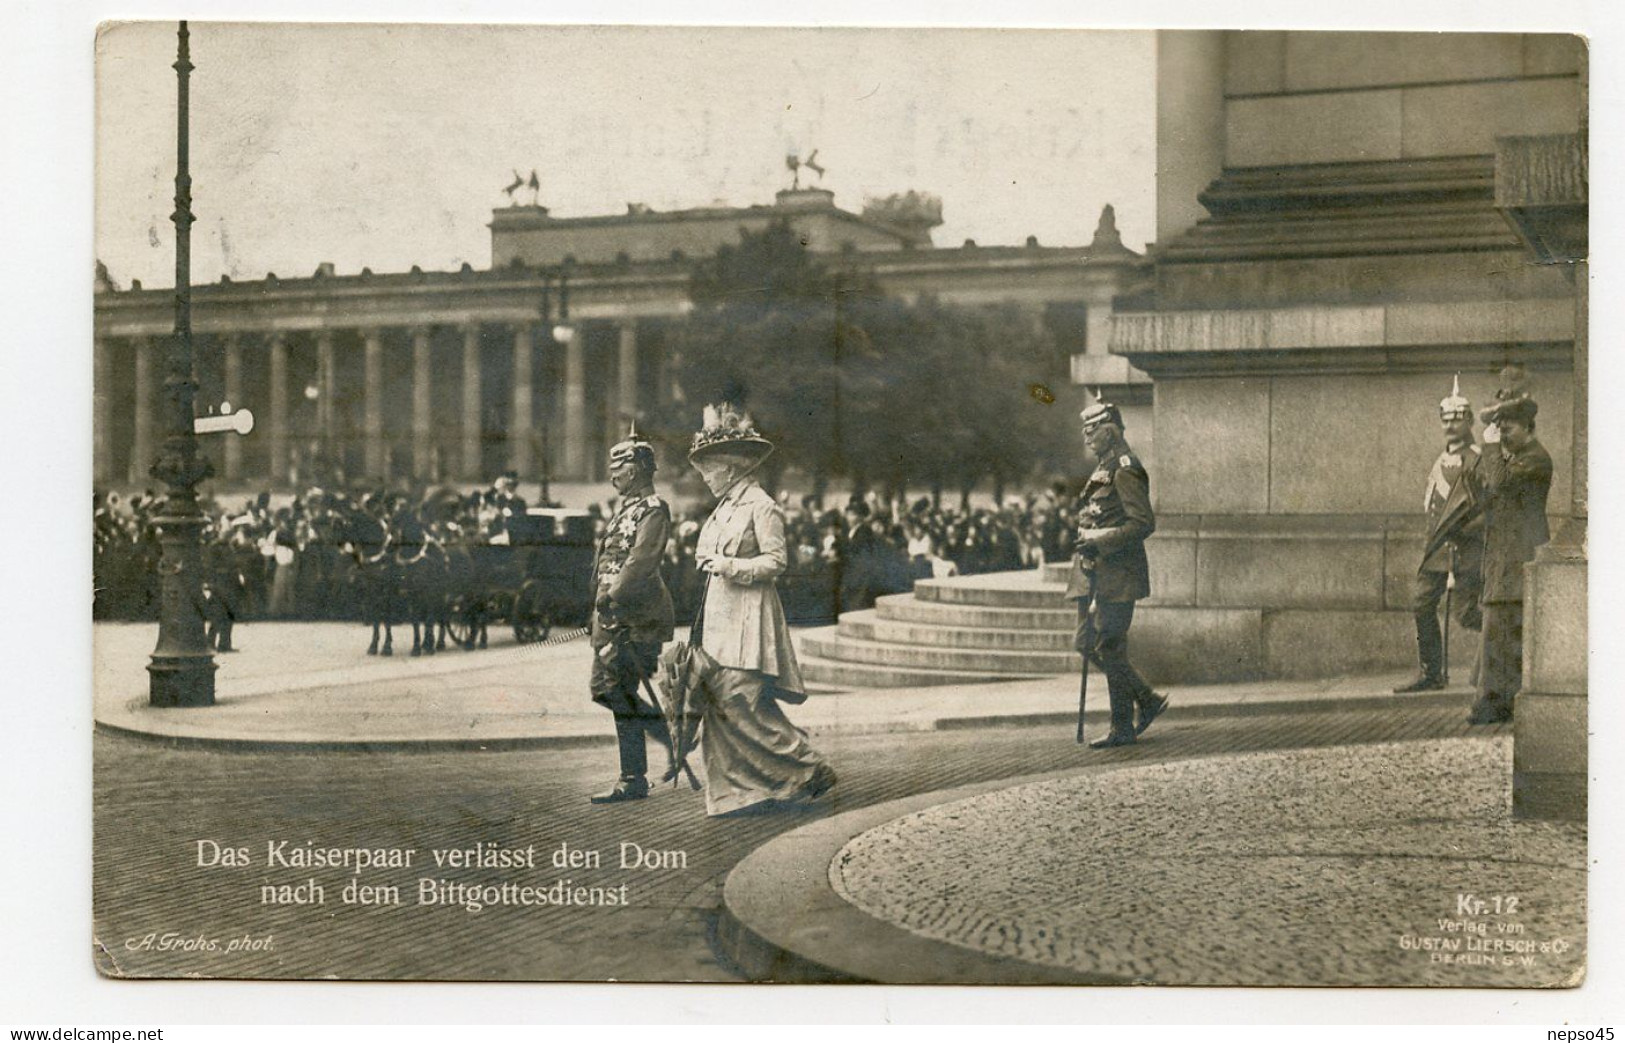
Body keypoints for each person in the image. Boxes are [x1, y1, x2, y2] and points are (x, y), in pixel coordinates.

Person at [687, 404, 835, 816]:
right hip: (719, 618)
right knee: (718, 705)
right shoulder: (723, 508)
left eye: (710, 472)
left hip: (750, 618)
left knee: (741, 701)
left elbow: (775, 562)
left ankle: (806, 768)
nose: (705, 479)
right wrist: (711, 560)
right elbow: (705, 549)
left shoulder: (761, 506)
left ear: (731, 469)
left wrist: (731, 565)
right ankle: (737, 792)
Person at [1066, 391, 1168, 748]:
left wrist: (1101, 542)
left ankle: (1122, 727)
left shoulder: (1125, 468)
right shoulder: (1105, 467)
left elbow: (1143, 523)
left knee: (1109, 644)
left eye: (1092, 430)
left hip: (1118, 571)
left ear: (1109, 431)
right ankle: (1146, 699)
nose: (1087, 437)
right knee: (1087, 642)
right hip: (1095, 568)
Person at [587, 426, 677, 804]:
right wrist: (596, 603)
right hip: (609, 616)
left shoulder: (654, 510)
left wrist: (613, 597)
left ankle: (632, 778)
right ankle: (669, 734)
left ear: (638, 469)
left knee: (619, 688)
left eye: (619, 466)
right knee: (604, 689)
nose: (613, 474)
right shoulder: (625, 509)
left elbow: (641, 562)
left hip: (637, 618)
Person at [1396, 376, 1485, 692]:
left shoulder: (1477, 460)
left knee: (1467, 614)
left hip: (1464, 549)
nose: (1450, 426)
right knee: (1421, 604)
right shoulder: (1441, 459)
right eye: (1446, 420)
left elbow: (1485, 510)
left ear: (1470, 421)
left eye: (1458, 420)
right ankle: (1431, 673)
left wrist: (1464, 531)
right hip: (1436, 550)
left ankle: (1512, 646)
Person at [1468, 396, 1553, 725]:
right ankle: (1495, 701)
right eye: (1499, 430)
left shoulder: (1535, 459)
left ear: (1528, 427)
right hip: (1505, 558)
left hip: (1518, 557)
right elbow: (1491, 489)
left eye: (1508, 429)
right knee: (1500, 633)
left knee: (1500, 632)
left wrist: (1490, 449)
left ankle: (1492, 704)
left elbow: (1500, 483)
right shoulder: (1518, 458)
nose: (1502, 436)